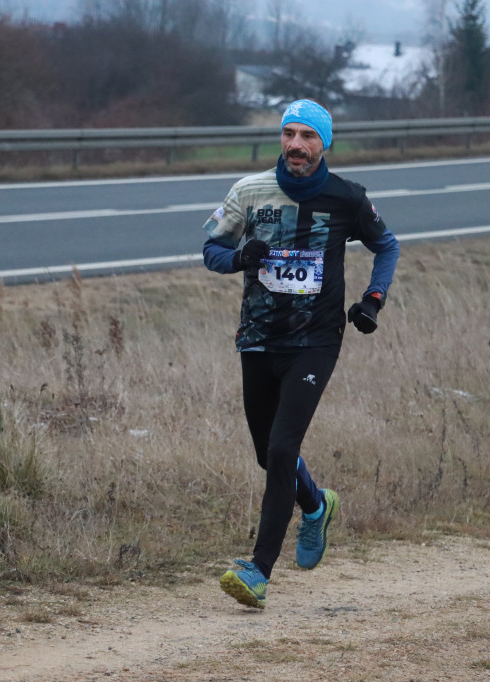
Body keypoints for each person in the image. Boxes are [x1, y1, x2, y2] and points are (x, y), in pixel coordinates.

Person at [201, 99, 400, 609]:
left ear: (324, 143)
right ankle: (316, 505)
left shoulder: (348, 198)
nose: (295, 144)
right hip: (258, 336)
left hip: (316, 341)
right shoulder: (249, 192)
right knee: (266, 452)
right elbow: (211, 250)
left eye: (307, 136)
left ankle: (258, 571)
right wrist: (239, 257)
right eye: (288, 134)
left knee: (282, 448)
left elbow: (388, 245)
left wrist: (373, 298)